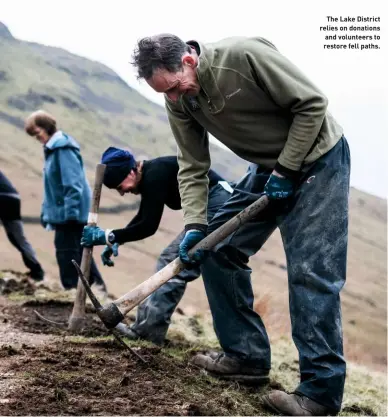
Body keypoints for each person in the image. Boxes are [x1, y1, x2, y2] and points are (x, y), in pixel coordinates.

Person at [130, 34, 350, 416]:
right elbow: (192, 165)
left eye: (176, 87)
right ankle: (246, 356)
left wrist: (287, 168)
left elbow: (312, 105)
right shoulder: (178, 99)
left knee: (311, 274)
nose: (176, 99)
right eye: (165, 94)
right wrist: (197, 224)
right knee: (214, 248)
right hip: (269, 167)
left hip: (319, 159)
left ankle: (319, 394)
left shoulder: (243, 56)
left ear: (188, 60)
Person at [80, 146, 233, 344]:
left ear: (132, 171)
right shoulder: (151, 173)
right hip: (220, 201)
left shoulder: (155, 174)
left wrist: (108, 236)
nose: (122, 192)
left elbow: (148, 226)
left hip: (220, 203)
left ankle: (148, 332)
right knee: (210, 268)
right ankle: (147, 328)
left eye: (120, 186)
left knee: (173, 260)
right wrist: (117, 239)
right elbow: (142, 217)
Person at [24, 110, 106, 292]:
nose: (38, 138)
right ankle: (99, 293)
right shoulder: (55, 149)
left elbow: (72, 184)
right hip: (69, 212)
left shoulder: (62, 149)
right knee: (80, 253)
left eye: (38, 133)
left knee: (66, 254)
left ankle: (71, 293)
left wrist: (69, 214)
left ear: (47, 127)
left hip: (70, 214)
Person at [0, 170, 45, 281]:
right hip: (13, 198)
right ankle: (37, 271)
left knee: (15, 237)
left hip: (3, 197)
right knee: (17, 238)